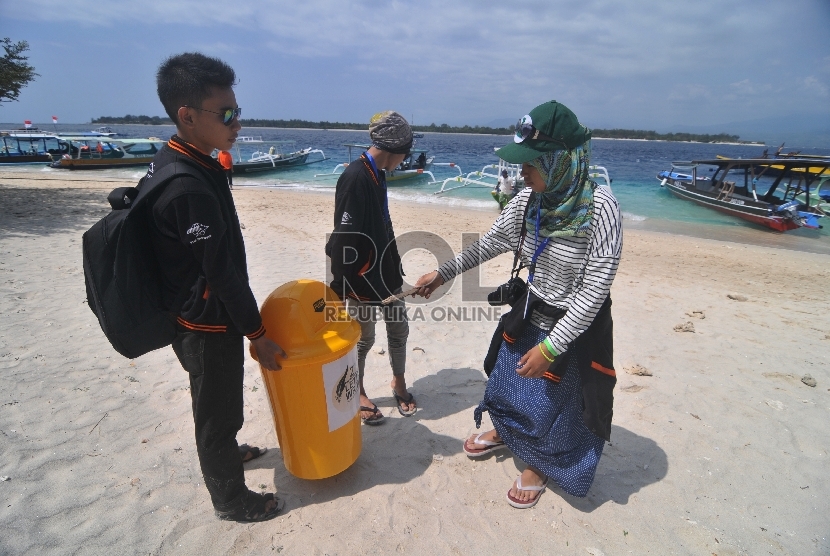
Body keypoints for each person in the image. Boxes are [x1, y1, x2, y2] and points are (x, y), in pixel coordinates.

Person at [415, 100, 621, 509]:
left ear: (559, 161)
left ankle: (539, 464)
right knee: (506, 380)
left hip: (573, 328)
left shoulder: (601, 211)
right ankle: (507, 433)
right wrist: (444, 272)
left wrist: (551, 347)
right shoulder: (529, 199)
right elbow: (493, 241)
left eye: (531, 164)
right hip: (530, 309)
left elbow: (595, 290)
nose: (521, 172)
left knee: (553, 401)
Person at [151, 52, 286, 522]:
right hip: (204, 322)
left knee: (222, 404)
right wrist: (257, 335)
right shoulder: (185, 185)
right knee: (216, 413)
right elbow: (221, 270)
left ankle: (228, 451)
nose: (237, 123)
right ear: (187, 116)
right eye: (226, 114)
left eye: (238, 111)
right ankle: (232, 501)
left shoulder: (187, 159)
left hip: (201, 310)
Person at [325, 111, 417, 425]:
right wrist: (340, 290)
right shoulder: (355, 177)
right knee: (364, 340)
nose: (406, 159)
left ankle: (399, 382)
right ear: (395, 148)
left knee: (399, 330)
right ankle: (359, 391)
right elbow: (342, 241)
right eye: (406, 152)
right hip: (361, 280)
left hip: (388, 272)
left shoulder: (378, 173)